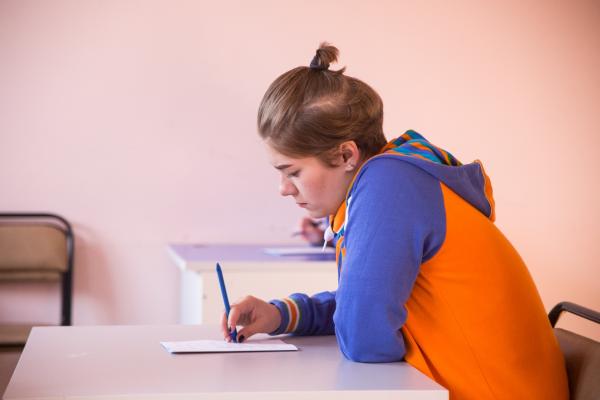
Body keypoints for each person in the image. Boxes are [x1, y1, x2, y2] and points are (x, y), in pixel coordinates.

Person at [221, 43, 568, 399]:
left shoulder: (388, 182)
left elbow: (362, 331)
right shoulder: (393, 177)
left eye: (292, 172)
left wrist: (358, 325)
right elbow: (362, 307)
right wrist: (281, 315)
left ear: (346, 154)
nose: (283, 189)